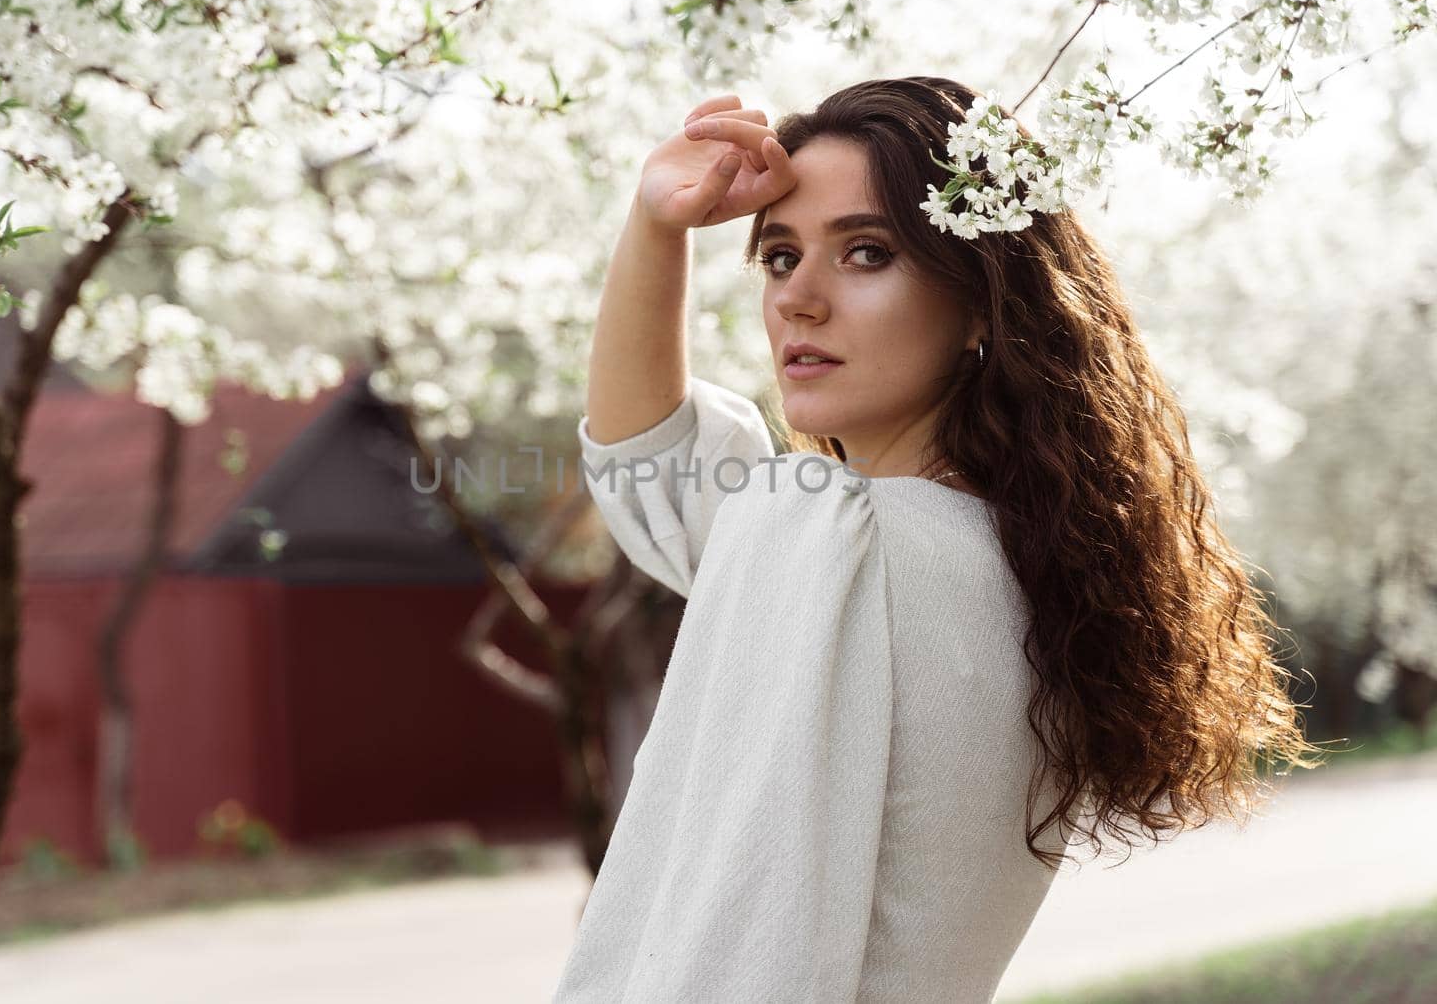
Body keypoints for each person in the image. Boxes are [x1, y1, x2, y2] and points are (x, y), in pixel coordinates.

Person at [552, 77, 1323, 1003]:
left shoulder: (832, 539)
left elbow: (743, 943)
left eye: (866, 253)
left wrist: (653, 225)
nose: (798, 299)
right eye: (780, 256)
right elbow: (655, 469)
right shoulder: (1025, 568)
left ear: (980, 302)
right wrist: (658, 223)